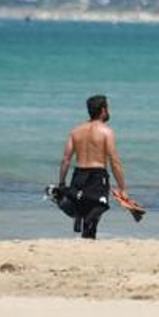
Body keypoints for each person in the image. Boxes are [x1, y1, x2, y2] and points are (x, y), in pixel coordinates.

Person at [56, 94, 132, 240]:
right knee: (96, 209)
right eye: (108, 108)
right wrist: (122, 189)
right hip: (97, 176)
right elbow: (114, 161)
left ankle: (83, 228)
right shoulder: (106, 132)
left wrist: (62, 183)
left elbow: (66, 160)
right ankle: (88, 235)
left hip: (78, 176)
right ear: (103, 110)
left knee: (83, 207)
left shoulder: (76, 131)